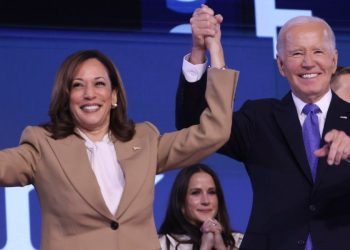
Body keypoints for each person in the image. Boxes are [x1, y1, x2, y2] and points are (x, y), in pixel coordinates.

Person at [0, 48, 238, 249]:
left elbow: (213, 132)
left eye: (99, 84)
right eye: (78, 85)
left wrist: (211, 48)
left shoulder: (144, 139)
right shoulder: (44, 144)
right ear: (66, 96)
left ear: (113, 95)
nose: (89, 94)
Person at [176, 5, 350, 250]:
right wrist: (201, 51)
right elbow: (194, 127)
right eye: (297, 53)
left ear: (334, 61)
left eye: (318, 51)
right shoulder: (260, 118)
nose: (308, 62)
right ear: (281, 65)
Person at [158, 163, 243, 250]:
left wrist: (220, 247)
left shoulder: (239, 241)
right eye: (195, 193)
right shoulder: (161, 244)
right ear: (181, 202)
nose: (206, 201)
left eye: (211, 192)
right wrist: (205, 247)